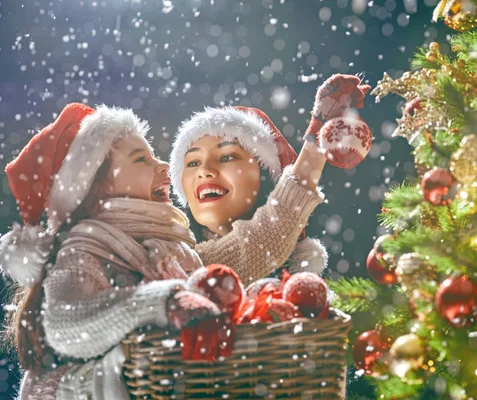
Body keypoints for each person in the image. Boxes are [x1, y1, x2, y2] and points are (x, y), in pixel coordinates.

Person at [0, 103, 215, 399]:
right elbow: (67, 325)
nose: (163, 165)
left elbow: (241, 255)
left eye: (154, 156)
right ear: (94, 189)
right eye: (141, 160)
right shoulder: (84, 249)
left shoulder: (173, 247)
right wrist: (162, 302)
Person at [168, 74, 370, 285]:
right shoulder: (173, 261)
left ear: (266, 174)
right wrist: (318, 135)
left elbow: (264, 239)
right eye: (192, 163)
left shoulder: (307, 297)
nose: (204, 171)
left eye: (227, 157)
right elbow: (263, 240)